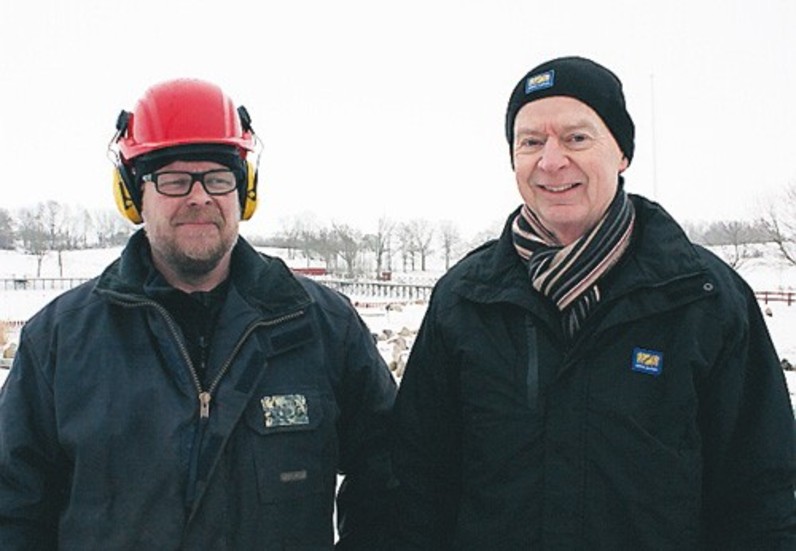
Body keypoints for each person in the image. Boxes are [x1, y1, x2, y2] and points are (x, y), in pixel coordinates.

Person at [392, 56, 796, 549]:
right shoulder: (464, 301)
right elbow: (414, 490)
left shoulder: (704, 298)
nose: (551, 160)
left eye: (577, 138)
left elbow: (761, 496)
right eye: (531, 142)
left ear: (622, 153)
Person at [0, 78, 397, 549]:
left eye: (218, 177)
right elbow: (13, 512)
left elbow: (394, 484)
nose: (199, 196)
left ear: (244, 192)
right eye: (172, 179)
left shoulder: (324, 328)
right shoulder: (59, 342)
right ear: (133, 196)